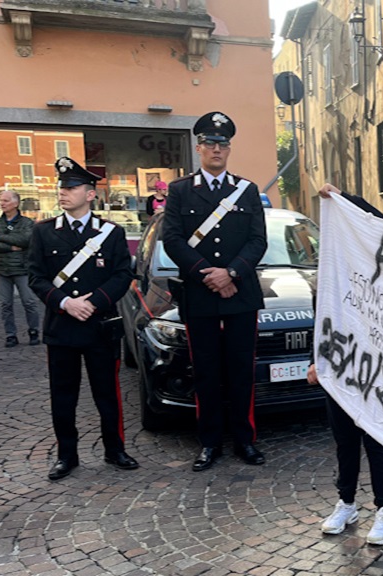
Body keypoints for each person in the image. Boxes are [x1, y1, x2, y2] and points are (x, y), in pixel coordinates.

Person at [162, 111, 268, 472]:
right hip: (200, 293)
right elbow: (172, 239)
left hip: (240, 294)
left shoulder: (247, 190)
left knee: (241, 370)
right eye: (210, 143)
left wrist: (232, 272)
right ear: (199, 148)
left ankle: (245, 439)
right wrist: (207, 274)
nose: (216, 149)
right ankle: (209, 443)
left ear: (229, 149)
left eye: (222, 143)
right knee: (205, 371)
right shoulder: (179, 191)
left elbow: (258, 240)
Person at [27, 157, 138, 481]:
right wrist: (64, 303)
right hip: (61, 328)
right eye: (62, 187)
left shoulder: (111, 233)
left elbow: (122, 274)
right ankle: (66, 455)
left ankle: (115, 450)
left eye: (72, 187)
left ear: (90, 194)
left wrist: (95, 302)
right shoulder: (44, 232)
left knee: (108, 393)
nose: (64, 192)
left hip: (99, 326)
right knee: (63, 395)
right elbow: (36, 277)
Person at [308, 183, 383, 546]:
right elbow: (319, 324)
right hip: (340, 371)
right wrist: (315, 361)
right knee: (344, 442)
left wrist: (342, 199)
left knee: (378, 442)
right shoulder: (328, 274)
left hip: (377, 372)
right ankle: (346, 502)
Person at [0, 190, 42, 347]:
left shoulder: (27, 223)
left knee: (29, 302)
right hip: (0, 269)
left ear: (16, 203)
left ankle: (34, 331)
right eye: (1, 200)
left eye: (6, 200)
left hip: (22, 269)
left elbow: (25, 240)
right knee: (5, 304)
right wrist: (11, 247)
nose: (2, 203)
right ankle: (10, 335)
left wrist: (0, 237)